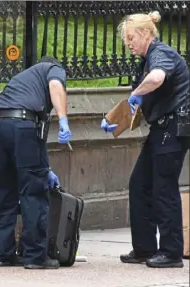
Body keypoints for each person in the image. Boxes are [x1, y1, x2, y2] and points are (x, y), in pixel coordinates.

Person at [101, 11, 190, 268]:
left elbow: (157, 78)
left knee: (164, 189)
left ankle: (172, 253)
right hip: (161, 130)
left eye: (130, 37)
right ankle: (144, 248)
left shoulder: (160, 53)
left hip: (173, 128)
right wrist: (115, 121)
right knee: (139, 184)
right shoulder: (147, 58)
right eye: (126, 39)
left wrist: (136, 94)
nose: (128, 43)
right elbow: (141, 103)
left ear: (144, 34)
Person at [0, 56, 72, 269]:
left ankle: (2, 254)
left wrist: (47, 169)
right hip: (24, 127)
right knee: (33, 192)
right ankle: (35, 256)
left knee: (4, 190)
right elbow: (55, 85)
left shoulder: (24, 79)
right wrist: (63, 119)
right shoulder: (54, 69)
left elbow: (33, 156)